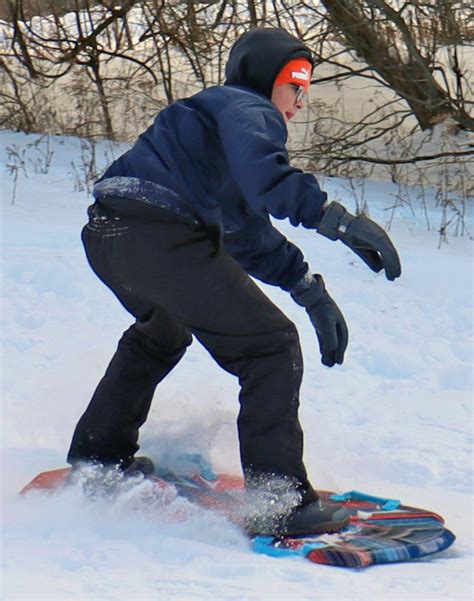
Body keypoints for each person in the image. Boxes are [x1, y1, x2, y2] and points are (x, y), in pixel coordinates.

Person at [67, 27, 401, 536]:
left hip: (111, 233)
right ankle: (280, 502)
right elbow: (270, 180)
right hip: (162, 234)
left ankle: (99, 457)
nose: (299, 103)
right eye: (295, 85)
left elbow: (245, 230)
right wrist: (337, 220)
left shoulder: (210, 126)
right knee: (269, 347)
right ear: (265, 78)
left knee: (162, 333)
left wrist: (307, 288)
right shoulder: (247, 108)